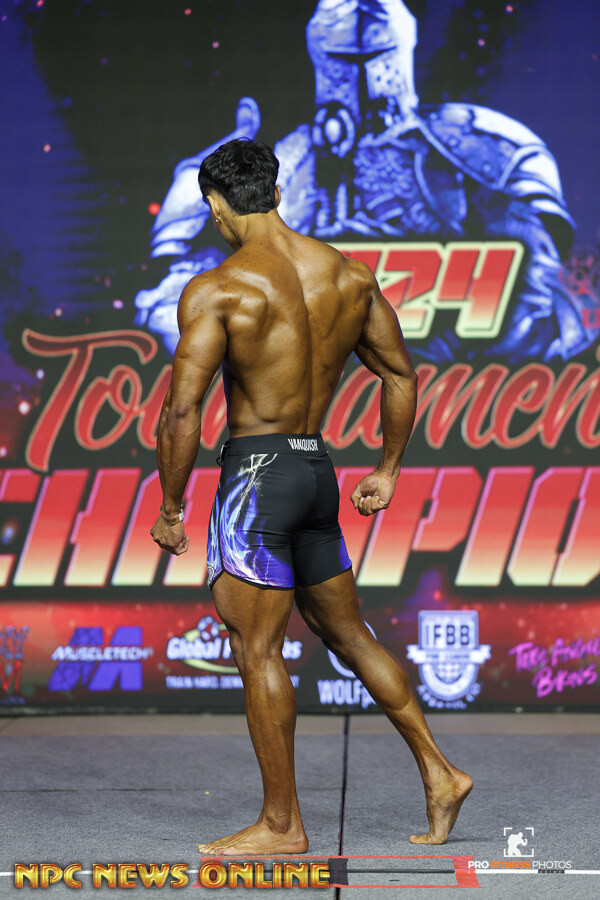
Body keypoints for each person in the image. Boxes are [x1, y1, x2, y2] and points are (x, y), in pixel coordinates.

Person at [150, 138, 472, 856]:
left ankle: (281, 825)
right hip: (314, 471)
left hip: (256, 481)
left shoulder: (219, 289)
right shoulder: (349, 276)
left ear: (216, 207)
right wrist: (387, 470)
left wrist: (171, 509)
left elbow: (181, 411)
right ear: (277, 191)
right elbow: (400, 375)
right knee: (350, 635)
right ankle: (441, 772)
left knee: (257, 648)